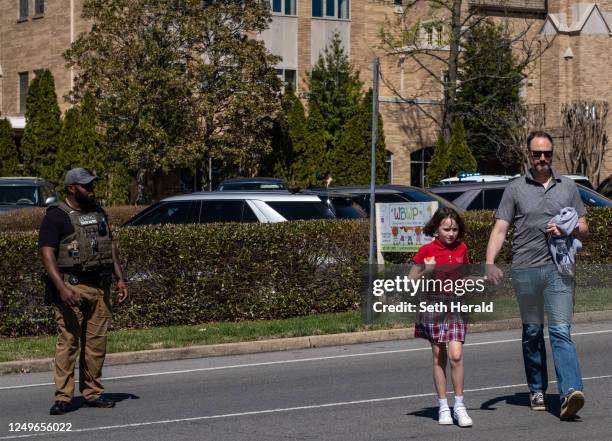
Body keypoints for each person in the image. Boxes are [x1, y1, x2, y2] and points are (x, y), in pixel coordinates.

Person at [485, 130, 589, 420]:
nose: (542, 159)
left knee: (559, 330)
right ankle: (536, 388)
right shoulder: (515, 188)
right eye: (537, 154)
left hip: (560, 271)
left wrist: (569, 229)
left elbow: (584, 227)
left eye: (547, 154)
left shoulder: (568, 187)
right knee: (532, 332)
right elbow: (500, 229)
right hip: (526, 271)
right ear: (528, 154)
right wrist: (490, 262)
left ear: (553, 155)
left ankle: (570, 392)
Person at [39, 167, 128, 415]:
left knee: (96, 345)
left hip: (100, 287)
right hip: (72, 287)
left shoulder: (99, 212)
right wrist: (61, 288)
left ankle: (92, 393)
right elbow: (47, 255)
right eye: (86, 186)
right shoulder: (56, 216)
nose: (91, 189)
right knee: (68, 343)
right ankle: (63, 398)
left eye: (91, 185)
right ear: (71, 188)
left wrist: (120, 279)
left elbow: (110, 248)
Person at [409, 207, 473, 427]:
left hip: (456, 304)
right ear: (436, 228)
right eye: (446, 229)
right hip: (433, 304)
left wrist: (478, 279)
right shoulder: (426, 250)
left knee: (456, 355)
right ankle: (443, 406)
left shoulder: (462, 248)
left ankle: (460, 406)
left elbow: (465, 274)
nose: (451, 233)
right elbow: (410, 281)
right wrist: (427, 271)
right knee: (439, 355)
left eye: (455, 229)